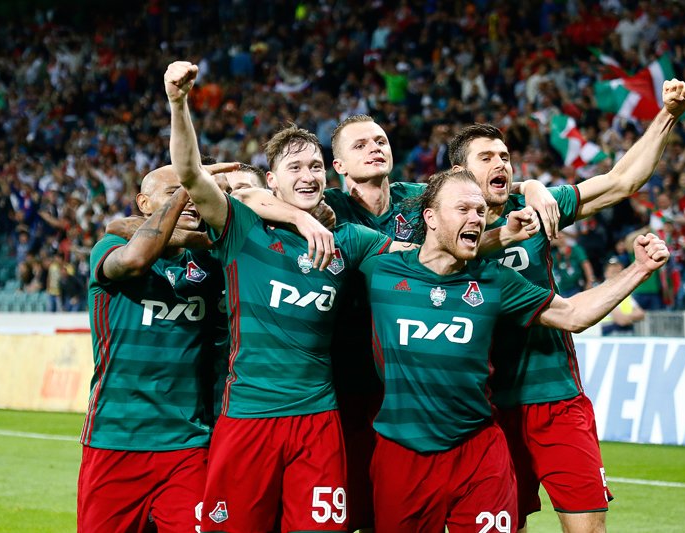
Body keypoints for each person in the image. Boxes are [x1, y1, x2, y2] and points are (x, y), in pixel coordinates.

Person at [164, 60, 460, 533]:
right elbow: (190, 174)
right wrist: (179, 103)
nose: (308, 175)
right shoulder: (242, 230)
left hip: (319, 420)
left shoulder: (350, 240)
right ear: (272, 182)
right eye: (295, 167)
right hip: (249, 415)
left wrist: (493, 225)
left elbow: (424, 256)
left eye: (316, 167)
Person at [359, 169, 670, 533]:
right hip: (402, 453)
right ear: (430, 217)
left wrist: (639, 269)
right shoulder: (379, 269)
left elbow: (572, 314)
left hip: (478, 453)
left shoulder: (494, 279)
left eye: (480, 211)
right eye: (463, 209)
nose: (476, 218)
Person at [448, 78, 685, 533]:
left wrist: (668, 116)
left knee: (588, 528)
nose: (501, 163)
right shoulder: (437, 228)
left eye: (505, 156)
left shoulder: (537, 209)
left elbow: (621, 182)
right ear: (459, 173)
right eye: (487, 157)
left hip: (555, 398)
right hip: (483, 407)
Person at [326, 114, 542, 531]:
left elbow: (473, 197)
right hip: (341, 385)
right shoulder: (327, 206)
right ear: (338, 166)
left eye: (380, 140)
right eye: (360, 145)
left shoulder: (414, 196)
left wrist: (529, 187)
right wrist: (302, 218)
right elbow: (255, 197)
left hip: (406, 388)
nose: (375, 148)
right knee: (354, 515)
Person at [78, 165, 228, 533]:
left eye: (192, 191)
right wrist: (187, 189)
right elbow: (134, 260)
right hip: (115, 440)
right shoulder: (110, 248)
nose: (188, 199)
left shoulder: (210, 263)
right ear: (144, 203)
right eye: (174, 191)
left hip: (187, 443)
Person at [600, 258, 645, 335]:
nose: (616, 272)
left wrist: (626, 318)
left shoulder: (624, 291)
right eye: (613, 271)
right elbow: (621, 321)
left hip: (626, 332)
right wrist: (631, 318)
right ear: (605, 273)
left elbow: (641, 314)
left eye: (618, 271)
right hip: (609, 332)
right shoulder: (602, 292)